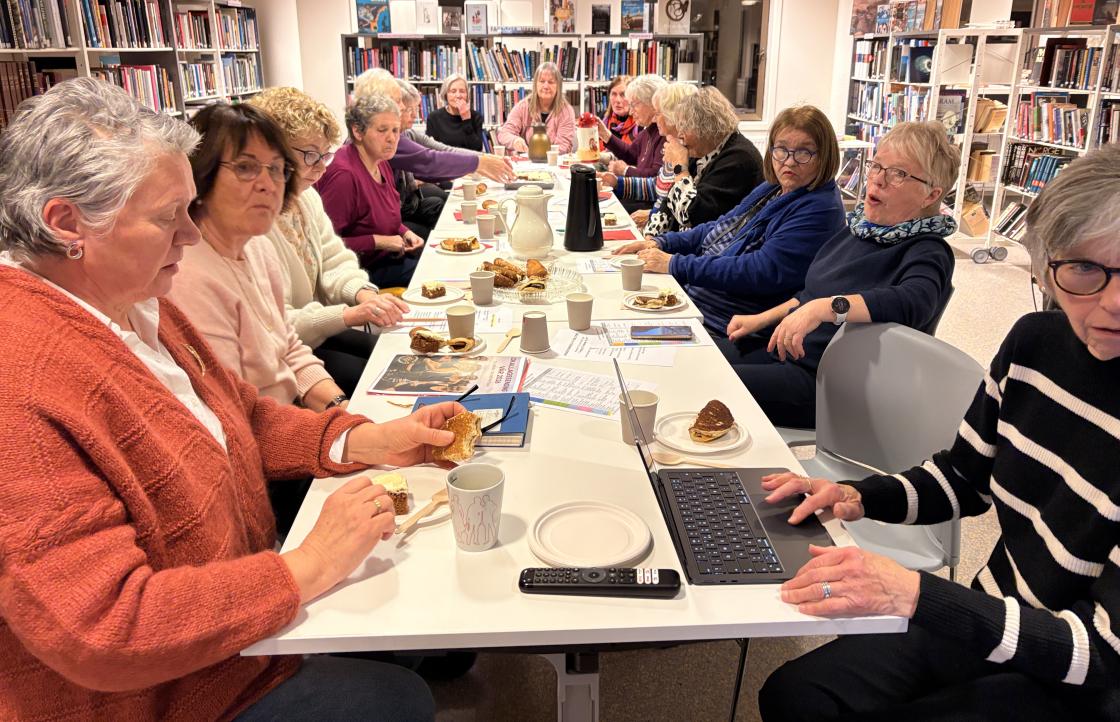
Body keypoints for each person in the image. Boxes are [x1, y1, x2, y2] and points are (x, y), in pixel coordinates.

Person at [0, 77, 458, 722]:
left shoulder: (137, 304)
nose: (189, 237)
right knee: (396, 693)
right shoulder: (21, 380)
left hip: (233, 621)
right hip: (158, 694)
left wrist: (364, 439)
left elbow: (238, 414)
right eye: (167, 218)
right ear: (67, 223)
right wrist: (311, 564)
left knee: (407, 607)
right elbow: (104, 631)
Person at [757, 144, 1120, 722]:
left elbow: (1101, 652)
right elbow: (962, 479)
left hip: (1083, 683)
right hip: (998, 616)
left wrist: (918, 594)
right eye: (1084, 269)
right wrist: (859, 496)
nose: (1112, 303)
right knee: (796, 694)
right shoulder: (1036, 345)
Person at [715, 121, 958, 429]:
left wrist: (828, 307)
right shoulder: (859, 230)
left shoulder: (927, 250)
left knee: (714, 384)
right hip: (789, 351)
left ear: (930, 194)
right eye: (877, 166)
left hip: (829, 384)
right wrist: (761, 319)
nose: (878, 180)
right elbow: (810, 296)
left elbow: (914, 302)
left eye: (898, 174)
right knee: (703, 358)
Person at [168, 102, 352, 414]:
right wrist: (339, 435)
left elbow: (289, 348)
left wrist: (341, 408)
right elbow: (238, 411)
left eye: (277, 168)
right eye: (245, 167)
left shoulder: (257, 246)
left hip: (290, 417)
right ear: (201, 174)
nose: (268, 184)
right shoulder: (185, 275)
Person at [612, 105, 846, 336]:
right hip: (701, 298)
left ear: (824, 156)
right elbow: (719, 226)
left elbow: (760, 271)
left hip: (728, 320)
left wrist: (674, 263)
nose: (790, 161)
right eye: (781, 149)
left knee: (627, 335)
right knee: (616, 312)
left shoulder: (820, 208)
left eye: (804, 152)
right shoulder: (774, 187)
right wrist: (662, 243)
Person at [248, 87, 409, 396]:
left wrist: (361, 293)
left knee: (391, 355)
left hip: (315, 329)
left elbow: (335, 258)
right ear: (273, 153)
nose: (322, 166)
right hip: (284, 353)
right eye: (310, 155)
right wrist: (348, 315)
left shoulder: (305, 197)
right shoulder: (255, 221)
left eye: (325, 154)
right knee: (378, 379)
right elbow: (274, 324)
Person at [316, 92, 426, 288]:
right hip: (358, 273)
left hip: (386, 256)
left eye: (395, 130)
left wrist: (404, 231)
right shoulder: (344, 176)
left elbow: (386, 215)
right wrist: (378, 241)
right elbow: (325, 246)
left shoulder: (380, 161)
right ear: (357, 131)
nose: (392, 139)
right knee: (429, 273)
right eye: (383, 130)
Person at [352, 68, 513, 185]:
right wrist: (479, 163)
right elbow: (429, 161)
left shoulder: (395, 134)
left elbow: (440, 150)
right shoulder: (384, 138)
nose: (401, 108)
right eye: (397, 101)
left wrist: (487, 159)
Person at [644, 86, 764, 237]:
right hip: (686, 241)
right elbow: (669, 202)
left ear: (706, 128)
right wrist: (651, 236)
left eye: (685, 128)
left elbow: (691, 215)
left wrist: (679, 168)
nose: (680, 134)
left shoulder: (738, 158)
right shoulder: (705, 150)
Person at [624, 82, 699, 228]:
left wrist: (652, 215)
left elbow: (686, 213)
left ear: (674, 115)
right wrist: (617, 182)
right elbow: (658, 186)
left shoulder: (689, 152)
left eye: (658, 113)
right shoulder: (674, 144)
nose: (655, 119)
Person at [595, 74, 667, 213]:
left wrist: (625, 171)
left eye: (635, 104)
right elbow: (630, 154)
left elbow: (655, 177)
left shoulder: (663, 133)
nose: (631, 110)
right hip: (636, 196)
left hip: (646, 204)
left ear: (653, 103)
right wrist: (605, 134)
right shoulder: (649, 130)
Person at [497, 62, 576, 154]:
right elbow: (503, 134)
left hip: (554, 162)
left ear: (558, 86)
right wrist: (515, 141)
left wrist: (539, 155)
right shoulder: (523, 106)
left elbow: (562, 147)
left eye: (551, 82)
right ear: (535, 84)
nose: (546, 86)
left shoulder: (566, 111)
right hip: (527, 163)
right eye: (542, 81)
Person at [425, 73, 485, 151]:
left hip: (467, 161)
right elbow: (430, 150)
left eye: (462, 91)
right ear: (446, 94)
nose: (458, 95)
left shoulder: (476, 117)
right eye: (453, 91)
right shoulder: (434, 117)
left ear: (467, 95)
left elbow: (477, 149)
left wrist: (466, 120)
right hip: (443, 161)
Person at [601, 75, 637, 145]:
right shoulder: (603, 117)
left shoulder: (640, 124)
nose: (617, 100)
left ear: (633, 98)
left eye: (623, 95)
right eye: (614, 94)